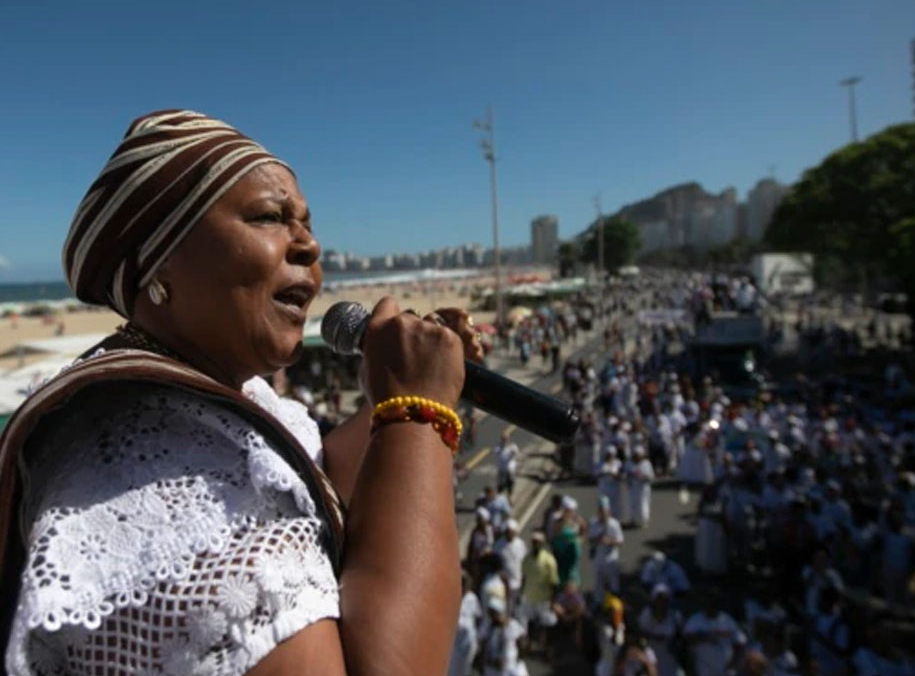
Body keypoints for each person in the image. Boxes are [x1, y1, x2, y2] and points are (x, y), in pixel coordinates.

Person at [0, 110, 483, 676]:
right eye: (270, 217)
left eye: (306, 222)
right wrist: (417, 416)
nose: (309, 244)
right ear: (160, 262)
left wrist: (403, 389)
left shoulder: (228, 400)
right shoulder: (141, 491)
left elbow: (316, 474)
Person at [683, 593, 746, 676]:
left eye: (714, 602)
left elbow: (740, 643)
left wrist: (732, 666)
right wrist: (705, 636)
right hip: (702, 671)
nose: (711, 604)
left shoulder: (728, 620)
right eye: (709, 601)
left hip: (724, 671)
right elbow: (685, 641)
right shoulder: (695, 620)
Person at [519, 531, 559, 653]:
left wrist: (553, 601)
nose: (535, 545)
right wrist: (521, 593)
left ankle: (545, 648)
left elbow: (553, 583)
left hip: (544, 599)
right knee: (530, 622)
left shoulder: (549, 560)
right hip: (529, 597)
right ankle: (530, 645)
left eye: (538, 543)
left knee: (545, 625)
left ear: (542, 544)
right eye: (534, 542)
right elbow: (524, 578)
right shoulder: (526, 559)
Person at [638, 585, 686, 676]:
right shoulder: (646, 614)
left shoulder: (675, 617)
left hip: (670, 661)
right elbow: (640, 634)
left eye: (665, 599)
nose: (661, 602)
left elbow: (682, 639)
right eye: (659, 598)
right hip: (650, 660)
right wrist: (654, 637)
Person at [588, 496, 625, 601]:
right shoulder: (593, 523)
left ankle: (615, 601)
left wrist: (610, 541)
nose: (603, 514)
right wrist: (598, 539)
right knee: (598, 581)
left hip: (611, 557)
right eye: (601, 511)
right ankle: (598, 602)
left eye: (605, 512)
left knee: (613, 581)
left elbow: (620, 541)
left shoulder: (614, 524)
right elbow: (590, 539)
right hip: (598, 557)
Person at [481, 597, 529, 676]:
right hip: (493, 667)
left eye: (493, 613)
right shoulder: (488, 626)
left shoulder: (512, 624)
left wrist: (519, 657)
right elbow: (483, 644)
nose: (491, 616)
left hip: (512, 665)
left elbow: (522, 640)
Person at [449, 573, 483, 676]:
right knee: (452, 668)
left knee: (465, 668)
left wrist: (479, 635)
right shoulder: (453, 597)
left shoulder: (472, 598)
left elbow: (478, 617)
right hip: (456, 640)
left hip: (469, 639)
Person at [497, 519, 528, 614]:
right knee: (506, 610)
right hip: (504, 585)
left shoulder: (521, 544)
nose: (510, 534)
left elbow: (525, 563)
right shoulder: (499, 545)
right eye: (507, 532)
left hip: (518, 583)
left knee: (519, 610)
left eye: (512, 532)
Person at [627, 447, 656, 528]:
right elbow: (627, 474)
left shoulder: (646, 463)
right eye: (635, 455)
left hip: (643, 488)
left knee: (643, 504)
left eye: (638, 455)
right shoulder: (629, 463)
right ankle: (633, 520)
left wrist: (642, 476)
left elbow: (651, 477)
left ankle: (644, 520)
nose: (636, 457)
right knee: (633, 504)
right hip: (633, 487)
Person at [495, 427, 521, 496]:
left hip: (509, 468)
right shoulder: (499, 447)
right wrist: (502, 447)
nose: (505, 440)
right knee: (500, 483)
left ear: (509, 438)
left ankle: (510, 496)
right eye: (503, 439)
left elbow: (517, 453)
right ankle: (499, 495)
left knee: (511, 483)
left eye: (506, 438)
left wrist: (513, 452)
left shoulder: (513, 446)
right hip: (502, 468)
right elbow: (497, 453)